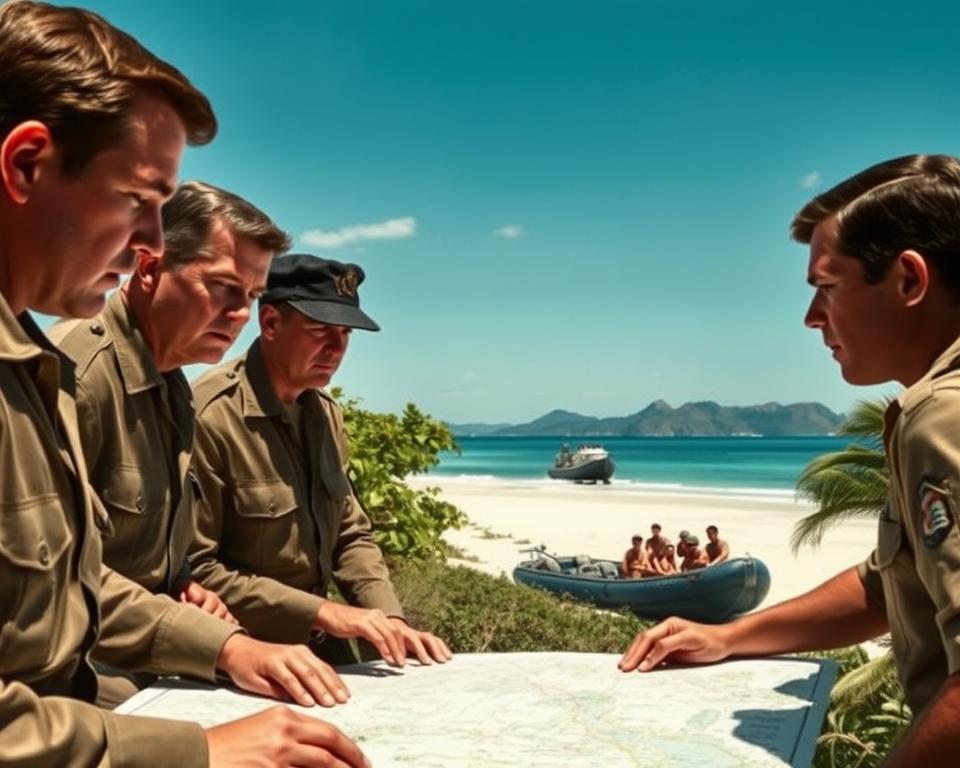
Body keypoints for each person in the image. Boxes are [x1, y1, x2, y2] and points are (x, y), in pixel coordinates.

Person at [0, 3, 365, 766]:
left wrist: (221, 642)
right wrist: (196, 749)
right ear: (26, 165)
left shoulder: (38, 370)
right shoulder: (73, 370)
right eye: (139, 201)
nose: (150, 246)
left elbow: (78, 591)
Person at [619, 154, 960, 765]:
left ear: (909, 280)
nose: (811, 318)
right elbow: (888, 583)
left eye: (827, 287)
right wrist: (729, 636)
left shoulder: (941, 415)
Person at [190, 253, 453, 667]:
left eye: (345, 333)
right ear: (270, 323)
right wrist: (324, 612)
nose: (336, 349)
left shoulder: (324, 414)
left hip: (322, 648)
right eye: (319, 330)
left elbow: (350, 533)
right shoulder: (210, 416)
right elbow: (195, 570)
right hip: (243, 660)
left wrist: (389, 619)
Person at [50, 181, 289, 624]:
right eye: (223, 286)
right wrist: (211, 643)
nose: (241, 313)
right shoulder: (73, 376)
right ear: (149, 267)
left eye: (252, 296)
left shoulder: (174, 385)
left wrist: (183, 587)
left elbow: (142, 562)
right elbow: (52, 579)